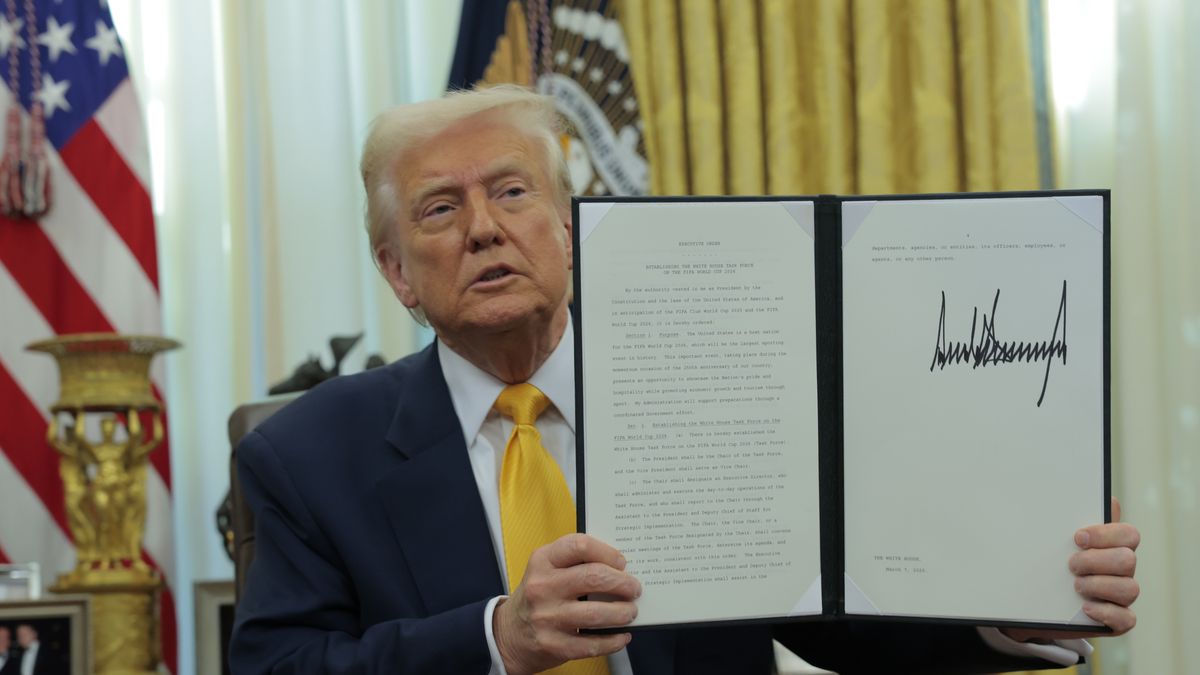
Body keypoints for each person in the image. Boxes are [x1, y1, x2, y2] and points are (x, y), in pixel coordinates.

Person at [229, 85, 1140, 674]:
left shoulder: (724, 388)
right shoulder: (304, 455)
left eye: (512, 192)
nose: (484, 229)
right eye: (440, 208)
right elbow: (277, 665)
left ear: (571, 229)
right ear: (397, 273)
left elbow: (835, 613)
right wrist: (497, 637)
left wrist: (1013, 603)